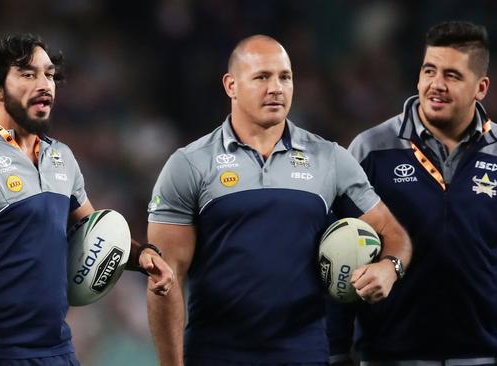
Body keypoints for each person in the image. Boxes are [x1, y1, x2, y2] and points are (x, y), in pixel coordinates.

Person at [145, 34, 412, 365]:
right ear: (231, 85)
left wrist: (390, 267)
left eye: (284, 77)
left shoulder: (330, 159)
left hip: (303, 355)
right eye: (262, 77)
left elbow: (393, 233)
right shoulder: (190, 164)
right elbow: (165, 280)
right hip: (216, 356)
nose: (276, 88)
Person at [0, 34, 174, 366]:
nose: (44, 84)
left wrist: (142, 256)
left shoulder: (60, 157)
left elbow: (93, 230)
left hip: (56, 351)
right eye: (29, 74)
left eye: (49, 74)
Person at [328, 21, 497, 364]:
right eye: (429, 70)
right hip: (388, 358)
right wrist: (336, 352)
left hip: (482, 359)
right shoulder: (370, 151)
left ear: (480, 87)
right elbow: (339, 261)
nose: (436, 85)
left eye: (452, 75)